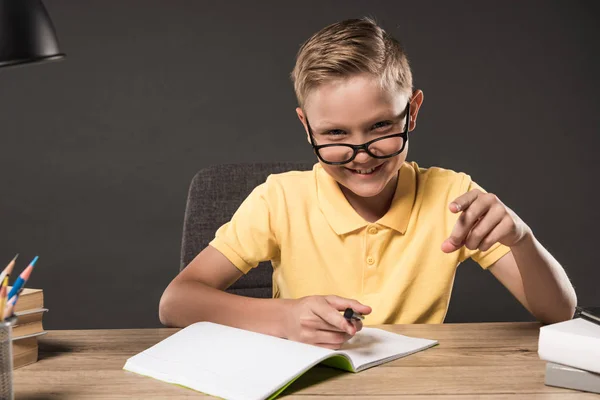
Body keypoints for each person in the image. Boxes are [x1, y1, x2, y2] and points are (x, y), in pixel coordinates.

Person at [159, 17, 577, 350]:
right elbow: (177, 302)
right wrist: (285, 317)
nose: (362, 155)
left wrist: (522, 240)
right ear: (307, 127)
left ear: (412, 112)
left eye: (380, 127)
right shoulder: (279, 199)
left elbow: (559, 312)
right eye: (336, 135)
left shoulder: (451, 197)